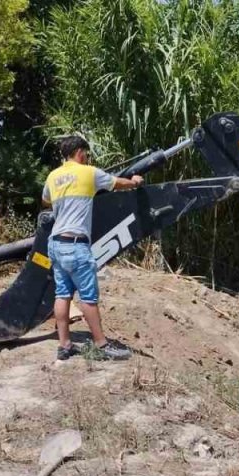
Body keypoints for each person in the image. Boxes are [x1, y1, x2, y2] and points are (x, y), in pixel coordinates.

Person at [43, 135, 144, 361]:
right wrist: (135, 181)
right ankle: (101, 345)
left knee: (62, 293)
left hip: (56, 244)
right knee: (88, 296)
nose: (87, 156)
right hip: (76, 246)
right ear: (80, 152)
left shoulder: (53, 176)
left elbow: (46, 200)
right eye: (86, 153)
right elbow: (118, 183)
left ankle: (65, 345)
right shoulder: (89, 172)